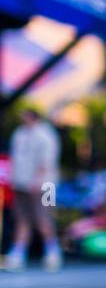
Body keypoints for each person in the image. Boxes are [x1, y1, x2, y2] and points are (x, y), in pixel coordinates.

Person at [4, 107, 62, 272]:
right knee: (23, 219)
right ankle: (17, 255)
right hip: (21, 183)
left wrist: (37, 181)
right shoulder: (20, 133)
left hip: (46, 185)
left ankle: (53, 253)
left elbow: (47, 161)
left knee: (45, 218)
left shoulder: (46, 135)